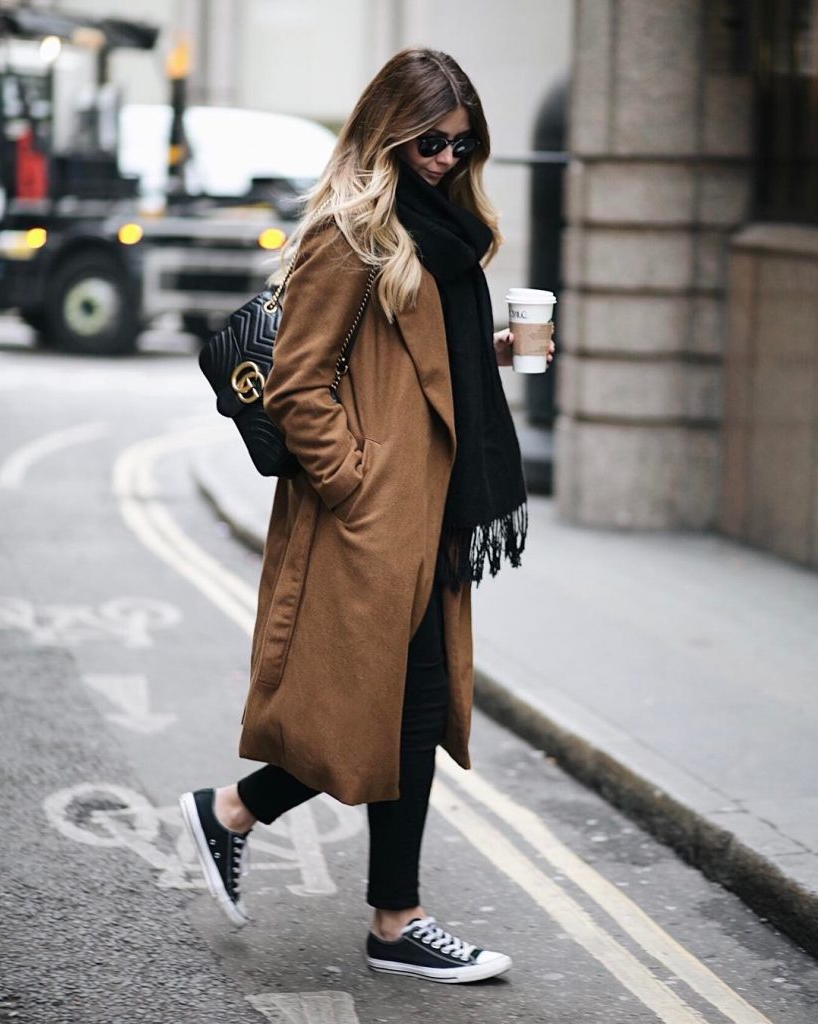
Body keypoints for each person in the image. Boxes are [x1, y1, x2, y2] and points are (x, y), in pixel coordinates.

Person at [180, 46, 555, 984]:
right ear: (390, 132)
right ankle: (390, 916)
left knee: (406, 709)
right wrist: (358, 486)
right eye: (431, 142)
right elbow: (297, 386)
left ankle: (251, 826)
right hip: (374, 517)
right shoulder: (351, 233)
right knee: (383, 705)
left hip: (433, 514)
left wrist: (499, 347)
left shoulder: (446, 232)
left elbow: (423, 356)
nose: (446, 161)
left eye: (463, 147)